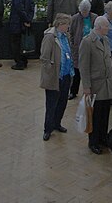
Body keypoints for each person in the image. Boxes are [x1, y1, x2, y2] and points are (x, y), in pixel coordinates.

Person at [78, 15, 112, 154]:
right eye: (106, 26)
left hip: (106, 85)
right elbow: (84, 66)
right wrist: (86, 86)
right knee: (95, 115)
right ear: (99, 27)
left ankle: (103, 138)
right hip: (95, 86)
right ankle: (93, 142)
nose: (109, 28)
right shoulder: (87, 42)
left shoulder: (105, 39)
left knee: (105, 114)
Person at [39, 12, 74, 141]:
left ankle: (57, 123)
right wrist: (51, 70)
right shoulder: (50, 37)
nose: (68, 27)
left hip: (66, 75)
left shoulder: (65, 36)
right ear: (60, 24)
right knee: (51, 104)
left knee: (62, 102)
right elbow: (44, 58)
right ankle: (47, 129)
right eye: (67, 24)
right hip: (55, 76)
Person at [69, 0, 97, 99]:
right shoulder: (75, 18)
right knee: (76, 70)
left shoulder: (94, 17)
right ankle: (73, 91)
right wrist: (73, 43)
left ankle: (91, 90)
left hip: (91, 47)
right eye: (82, 11)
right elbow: (71, 32)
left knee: (90, 69)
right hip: (78, 47)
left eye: (86, 11)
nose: (84, 13)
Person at [7, 0, 34, 70]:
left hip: (17, 23)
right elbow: (31, 6)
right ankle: (24, 60)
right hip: (23, 23)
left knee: (16, 43)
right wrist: (29, 19)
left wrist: (26, 19)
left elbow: (19, 8)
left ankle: (19, 63)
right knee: (22, 43)